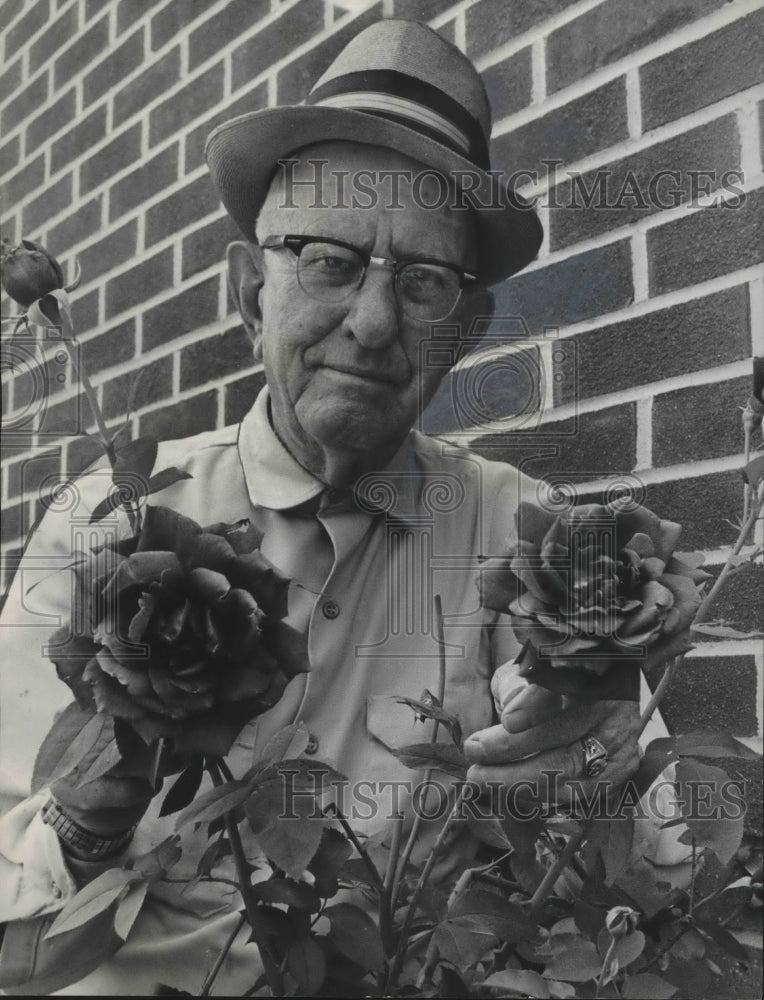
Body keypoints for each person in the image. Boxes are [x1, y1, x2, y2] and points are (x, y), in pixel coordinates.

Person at [0, 19, 661, 995]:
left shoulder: (527, 539)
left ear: (465, 332)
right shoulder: (105, 524)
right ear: (246, 295)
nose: (372, 321)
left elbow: (655, 871)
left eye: (425, 282)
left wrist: (574, 769)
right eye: (327, 259)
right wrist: (90, 811)